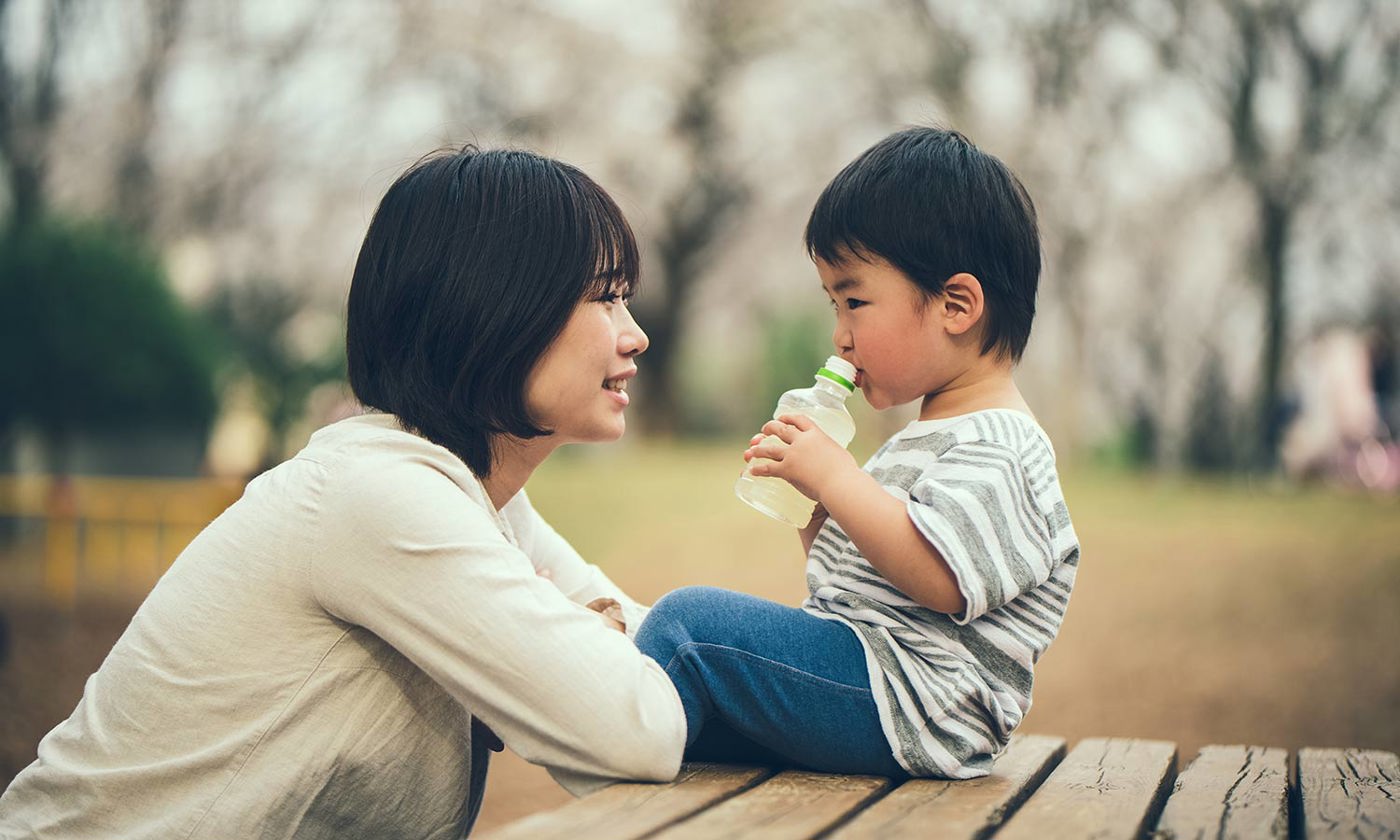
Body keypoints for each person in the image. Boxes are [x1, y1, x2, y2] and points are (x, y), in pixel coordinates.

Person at [0, 147, 685, 837]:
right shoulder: (380, 496)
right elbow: (639, 733)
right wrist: (576, 630)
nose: (636, 335)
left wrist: (585, 633)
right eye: (604, 296)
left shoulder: (486, 499)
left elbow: (672, 664)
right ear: (494, 309)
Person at [634, 127, 1081, 780]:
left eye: (855, 301)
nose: (840, 336)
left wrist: (836, 476)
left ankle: (594, 732)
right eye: (833, 305)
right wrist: (814, 507)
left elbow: (939, 579)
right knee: (696, 715)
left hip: (917, 700)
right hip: (877, 680)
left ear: (956, 305)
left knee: (689, 629)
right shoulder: (927, 435)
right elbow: (857, 581)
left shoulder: (1003, 446)